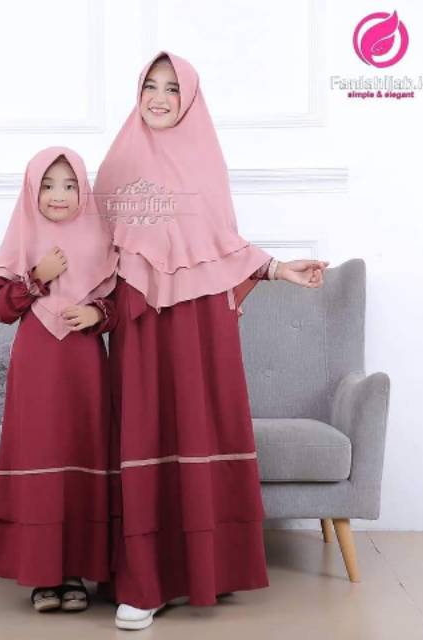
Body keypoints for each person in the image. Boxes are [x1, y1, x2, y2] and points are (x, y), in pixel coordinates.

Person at [93, 51, 329, 630]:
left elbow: (223, 243)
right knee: (143, 432)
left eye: (172, 88)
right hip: (139, 320)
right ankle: (144, 582)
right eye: (150, 86)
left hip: (199, 320)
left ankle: (200, 570)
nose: (159, 98)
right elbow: (92, 246)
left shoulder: (205, 161)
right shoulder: (119, 161)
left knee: (197, 428)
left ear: (190, 98)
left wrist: (279, 269)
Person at [0, 147, 119, 613]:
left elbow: (120, 304)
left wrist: (96, 314)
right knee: (40, 455)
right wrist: (37, 277)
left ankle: (75, 572)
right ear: (31, 189)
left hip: (85, 365)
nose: (59, 194)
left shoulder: (101, 238)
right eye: (48, 184)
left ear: (84, 190)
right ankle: (43, 577)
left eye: (70, 184)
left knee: (81, 454)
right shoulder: (22, 234)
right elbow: (0, 308)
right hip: (37, 363)